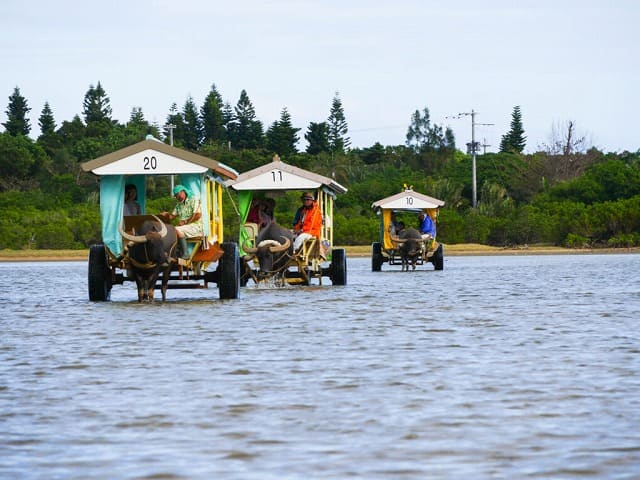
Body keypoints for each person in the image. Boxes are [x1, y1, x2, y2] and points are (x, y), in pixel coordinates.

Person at [161, 185, 203, 259]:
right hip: (184, 227)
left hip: (196, 226)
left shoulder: (194, 200)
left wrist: (185, 222)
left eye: (178, 195)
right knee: (170, 230)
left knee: (175, 229)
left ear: (183, 192)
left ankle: (186, 253)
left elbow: (198, 215)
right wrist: (166, 215)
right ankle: (175, 252)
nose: (177, 197)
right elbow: (171, 217)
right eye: (176, 196)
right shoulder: (179, 205)